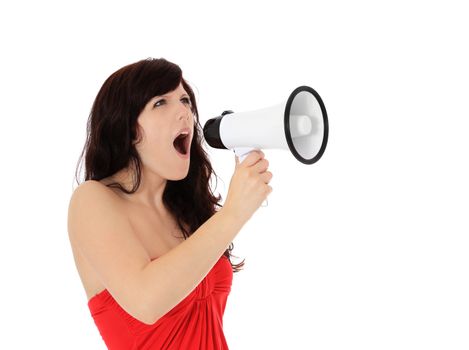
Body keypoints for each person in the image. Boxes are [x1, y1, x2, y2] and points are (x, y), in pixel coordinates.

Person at [67, 57, 273, 349]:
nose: (184, 112)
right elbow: (146, 301)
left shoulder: (188, 212)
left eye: (185, 100)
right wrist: (233, 214)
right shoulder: (92, 200)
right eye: (160, 102)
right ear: (129, 129)